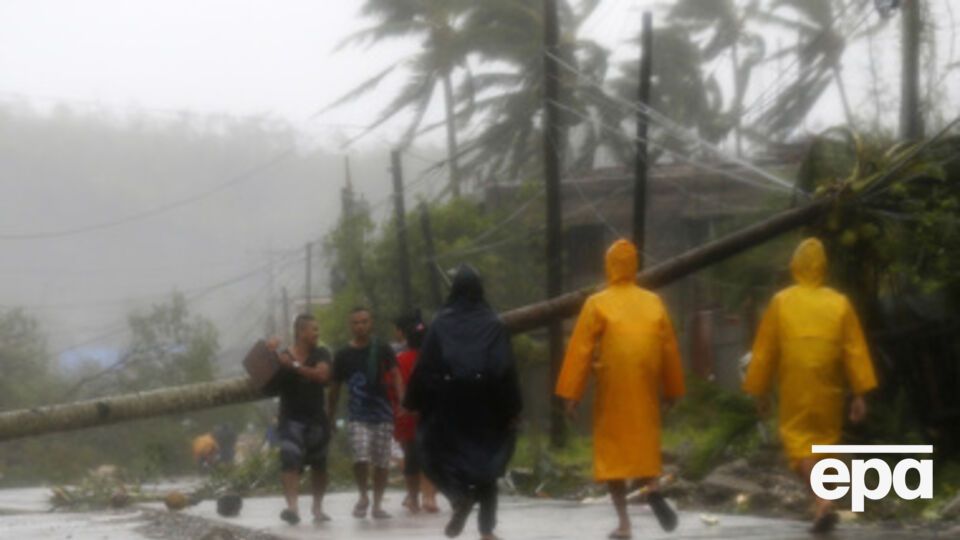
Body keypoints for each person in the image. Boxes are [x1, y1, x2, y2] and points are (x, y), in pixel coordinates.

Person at [743, 237, 877, 534]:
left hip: (796, 382)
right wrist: (859, 393)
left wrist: (759, 390)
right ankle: (822, 504)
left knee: (798, 442)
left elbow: (765, 352)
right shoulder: (839, 303)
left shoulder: (782, 302)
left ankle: (821, 499)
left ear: (795, 266)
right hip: (829, 383)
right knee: (825, 442)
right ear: (823, 268)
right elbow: (855, 350)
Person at [555, 239, 685, 540]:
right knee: (643, 445)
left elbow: (581, 351)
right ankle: (651, 487)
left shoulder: (597, 303)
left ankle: (625, 523)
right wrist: (672, 390)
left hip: (613, 386)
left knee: (613, 458)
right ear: (635, 266)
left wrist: (571, 395)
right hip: (645, 385)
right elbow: (669, 350)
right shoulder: (654, 302)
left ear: (609, 266)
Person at [405, 265, 522, 540]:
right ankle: (487, 530)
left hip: (450, 406)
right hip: (488, 405)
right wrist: (513, 408)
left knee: (429, 451)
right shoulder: (495, 324)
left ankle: (459, 497)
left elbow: (426, 367)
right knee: (487, 463)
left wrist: (413, 400)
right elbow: (506, 368)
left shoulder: (440, 324)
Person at [328, 307, 404, 520]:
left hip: (383, 414)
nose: (360, 326)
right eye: (356, 322)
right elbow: (334, 388)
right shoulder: (343, 355)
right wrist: (330, 415)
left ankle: (377, 504)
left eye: (364, 321)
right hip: (357, 415)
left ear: (370, 323)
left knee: (381, 462)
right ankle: (363, 495)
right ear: (350, 326)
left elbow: (396, 374)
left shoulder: (382, 349)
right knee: (360, 457)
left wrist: (402, 399)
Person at [266, 313, 333, 525]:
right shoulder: (283, 356)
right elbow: (265, 380)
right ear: (301, 332)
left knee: (319, 465)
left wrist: (294, 367)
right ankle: (292, 507)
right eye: (313, 329)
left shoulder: (321, 353)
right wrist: (270, 354)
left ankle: (317, 507)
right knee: (289, 461)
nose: (317, 333)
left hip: (316, 418)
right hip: (290, 418)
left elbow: (323, 376)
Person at [392, 310, 439, 514]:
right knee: (430, 457)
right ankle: (429, 497)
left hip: (406, 417)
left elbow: (392, 388)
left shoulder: (399, 360)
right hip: (432, 416)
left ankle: (413, 498)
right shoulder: (438, 360)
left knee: (411, 458)